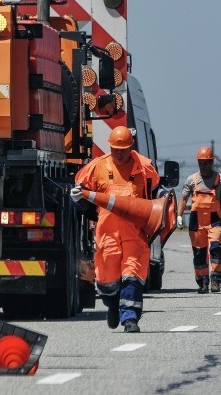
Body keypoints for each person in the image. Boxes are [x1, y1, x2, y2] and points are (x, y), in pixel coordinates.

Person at [70, 126, 161, 333]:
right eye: (115, 149)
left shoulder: (144, 169)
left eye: (123, 149)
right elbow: (82, 196)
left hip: (134, 233)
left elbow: (155, 196)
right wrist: (78, 200)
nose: (119, 153)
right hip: (107, 233)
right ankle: (113, 305)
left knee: (133, 274)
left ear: (131, 148)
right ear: (109, 147)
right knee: (106, 280)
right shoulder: (96, 167)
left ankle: (130, 319)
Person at [177, 146, 221, 293]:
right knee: (199, 253)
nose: (203, 166)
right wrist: (179, 216)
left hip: (214, 220)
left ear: (211, 162)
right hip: (196, 221)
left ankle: (216, 281)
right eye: (201, 163)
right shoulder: (191, 180)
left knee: (216, 249)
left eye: (206, 163)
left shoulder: (220, 180)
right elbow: (184, 198)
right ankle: (203, 282)